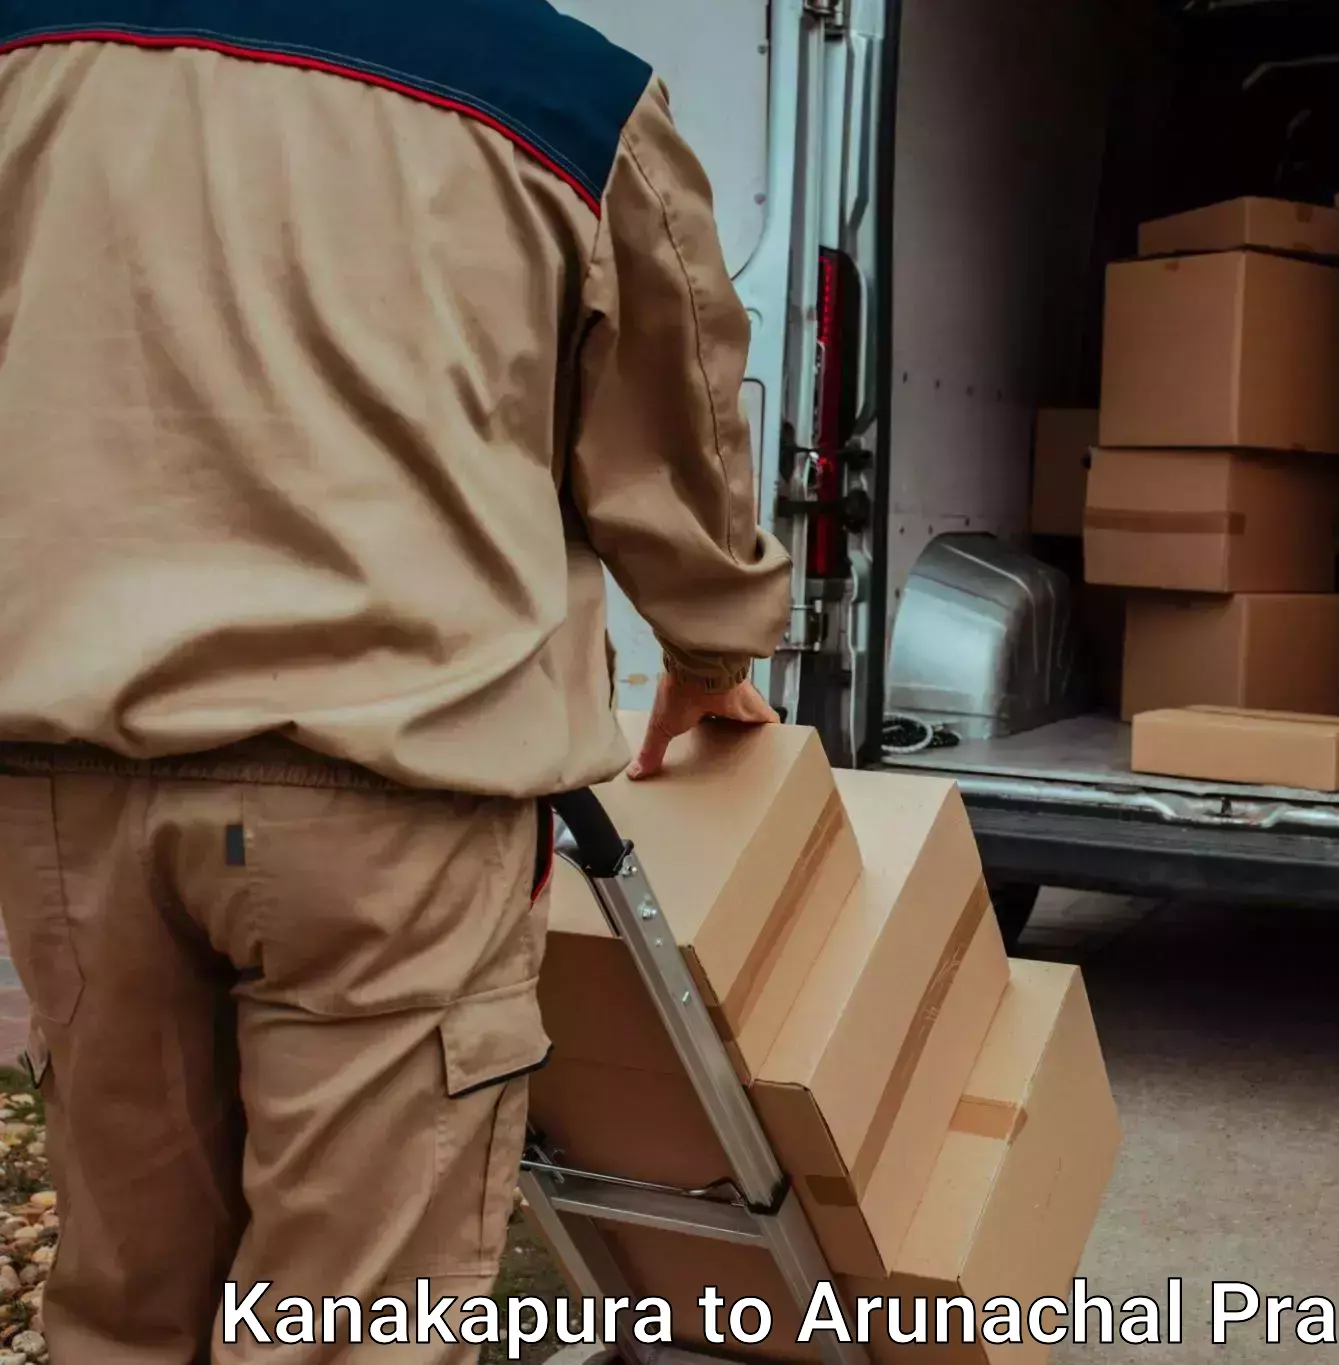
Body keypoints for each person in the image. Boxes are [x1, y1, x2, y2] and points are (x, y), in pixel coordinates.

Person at [0, 2, 790, 1359]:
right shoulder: (567, 99)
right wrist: (711, 648)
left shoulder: (32, 51)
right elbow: (677, 429)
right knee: (344, 1324)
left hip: (72, 797)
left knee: (125, 1303)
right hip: (390, 807)